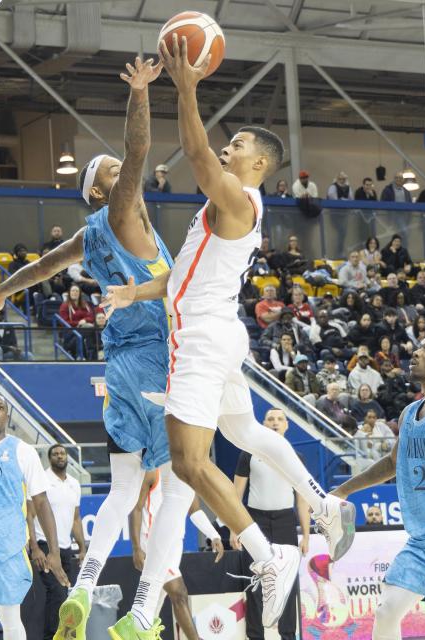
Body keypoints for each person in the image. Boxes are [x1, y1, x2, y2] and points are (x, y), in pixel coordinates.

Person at [105, 39, 356, 638]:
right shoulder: (227, 209)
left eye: (237, 144)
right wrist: (133, 294)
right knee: (242, 431)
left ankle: (272, 562)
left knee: (189, 465)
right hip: (217, 333)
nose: (226, 146)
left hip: (202, 340)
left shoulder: (239, 199)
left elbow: (195, 153)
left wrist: (185, 88)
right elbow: (180, 277)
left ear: (258, 164)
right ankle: (322, 504)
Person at [0, 58, 191, 640]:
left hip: (115, 365)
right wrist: (140, 93)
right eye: (113, 172)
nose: (128, 175)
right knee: (181, 483)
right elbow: (138, 152)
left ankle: (85, 587)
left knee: (121, 489)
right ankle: (143, 613)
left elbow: (41, 266)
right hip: (154, 355)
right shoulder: (120, 214)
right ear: (99, 190)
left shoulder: (88, 238)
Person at [333, 331, 425, 640]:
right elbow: (392, 464)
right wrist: (344, 490)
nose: (416, 353)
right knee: (386, 611)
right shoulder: (409, 414)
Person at [0, 393, 69, 640]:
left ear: (6, 416)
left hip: (7, 547)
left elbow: (41, 502)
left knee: (10, 620)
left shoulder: (23, 451)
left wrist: (53, 552)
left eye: (0, 407)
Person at [232, 407, 310, 640]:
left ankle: (288, 635)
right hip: (254, 523)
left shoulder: (297, 457)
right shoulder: (248, 454)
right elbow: (235, 495)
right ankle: (255, 636)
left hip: (286, 522)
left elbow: (302, 499)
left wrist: (305, 534)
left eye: (280, 419)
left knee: (286, 585)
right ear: (263, 424)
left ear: (287, 425)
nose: (275, 423)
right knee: (256, 582)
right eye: (270, 419)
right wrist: (235, 527)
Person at [130, 470, 224, 640]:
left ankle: (136, 634)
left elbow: (194, 510)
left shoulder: (185, 472)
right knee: (179, 593)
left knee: (153, 606)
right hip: (152, 542)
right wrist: (136, 547)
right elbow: (136, 509)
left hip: (174, 545)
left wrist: (214, 535)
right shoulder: (153, 471)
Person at [24, 445, 86, 640]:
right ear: (49, 458)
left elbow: (76, 519)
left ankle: (65, 636)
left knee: (66, 597)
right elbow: (30, 514)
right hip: (45, 547)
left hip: (66, 549)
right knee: (57, 594)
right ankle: (51, 637)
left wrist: (82, 547)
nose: (60, 456)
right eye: (55, 454)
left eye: (63, 453)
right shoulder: (41, 480)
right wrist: (34, 547)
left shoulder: (75, 484)